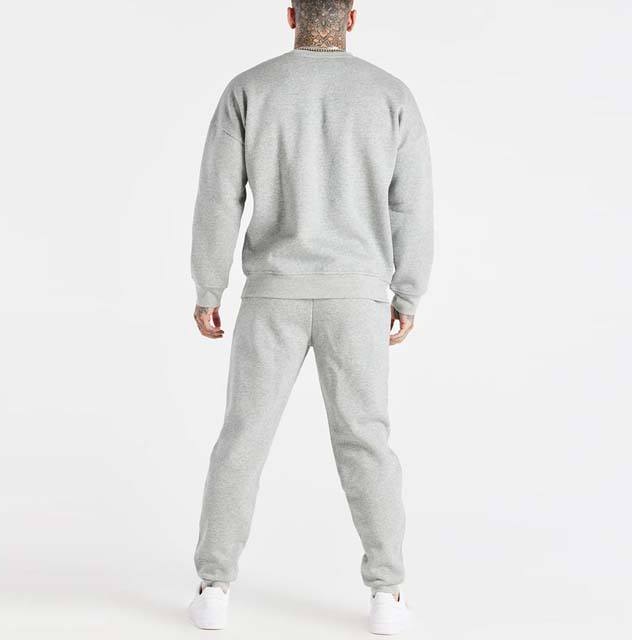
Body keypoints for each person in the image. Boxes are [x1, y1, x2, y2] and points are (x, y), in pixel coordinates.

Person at [188, 0, 433, 634]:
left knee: (243, 438)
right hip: (358, 298)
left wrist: (209, 286)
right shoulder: (390, 95)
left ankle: (214, 588)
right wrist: (408, 292)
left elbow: (219, 195)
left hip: (273, 293)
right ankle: (388, 594)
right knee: (366, 442)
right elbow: (411, 205)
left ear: (291, 15)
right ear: (351, 18)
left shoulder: (249, 89)